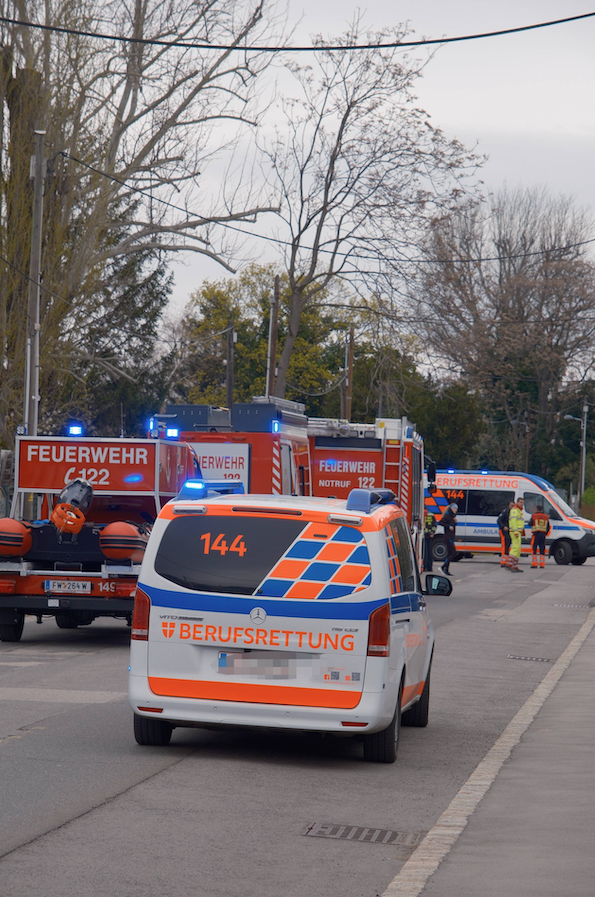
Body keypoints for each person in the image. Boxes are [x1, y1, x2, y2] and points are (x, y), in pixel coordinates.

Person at [438, 502, 458, 575]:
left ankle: (446, 570)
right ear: (451, 509)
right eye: (454, 508)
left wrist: (455, 522)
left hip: (451, 537)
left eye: (456, 509)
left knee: (449, 553)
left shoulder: (452, 516)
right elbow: (440, 522)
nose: (455, 510)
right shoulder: (447, 516)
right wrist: (448, 526)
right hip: (448, 537)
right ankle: (443, 566)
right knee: (454, 552)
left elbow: (453, 525)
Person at [507, 497, 526, 572]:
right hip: (515, 532)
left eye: (522, 503)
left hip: (518, 532)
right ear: (517, 502)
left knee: (517, 549)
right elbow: (513, 522)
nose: (521, 504)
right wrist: (515, 532)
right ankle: (509, 564)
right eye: (520, 502)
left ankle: (514, 565)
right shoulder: (515, 510)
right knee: (515, 548)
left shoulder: (519, 510)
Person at [530, 501, 550, 568]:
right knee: (542, 549)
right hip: (543, 535)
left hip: (536, 535)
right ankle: (542, 564)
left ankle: (534, 564)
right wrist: (545, 533)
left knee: (534, 549)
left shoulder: (534, 516)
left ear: (537, 509)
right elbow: (548, 527)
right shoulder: (546, 517)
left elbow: (530, 524)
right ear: (542, 510)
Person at [497, 501, 514, 567]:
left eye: (513, 506)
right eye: (511, 505)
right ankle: (503, 561)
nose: (512, 507)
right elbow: (499, 520)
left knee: (508, 544)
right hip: (503, 530)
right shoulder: (505, 512)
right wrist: (503, 527)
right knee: (504, 544)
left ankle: (507, 560)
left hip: (509, 530)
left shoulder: (513, 513)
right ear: (509, 505)